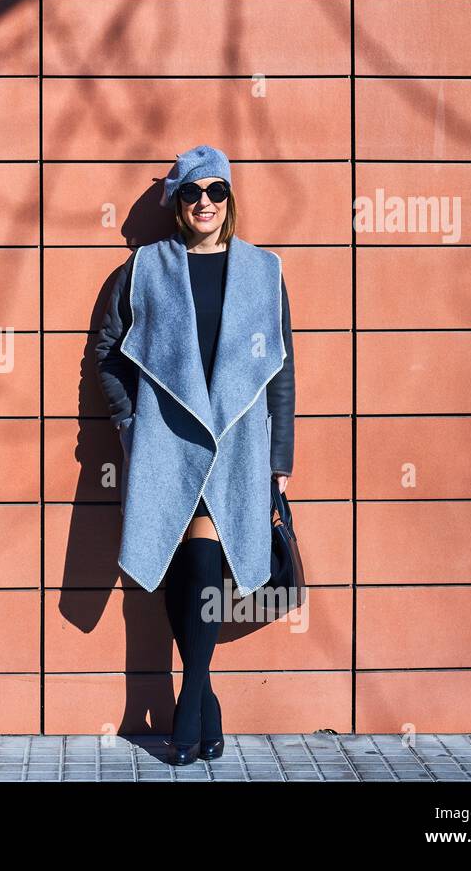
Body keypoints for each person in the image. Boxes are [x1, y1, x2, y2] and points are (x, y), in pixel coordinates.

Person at [94, 144, 295, 766]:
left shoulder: (264, 271)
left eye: (216, 191)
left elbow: (281, 372)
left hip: (236, 447)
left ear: (230, 199)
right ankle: (203, 706)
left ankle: (191, 699)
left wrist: (279, 458)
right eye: (191, 192)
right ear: (176, 202)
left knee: (205, 564)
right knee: (180, 570)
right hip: (168, 445)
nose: (204, 202)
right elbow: (105, 348)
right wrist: (131, 424)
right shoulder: (144, 268)